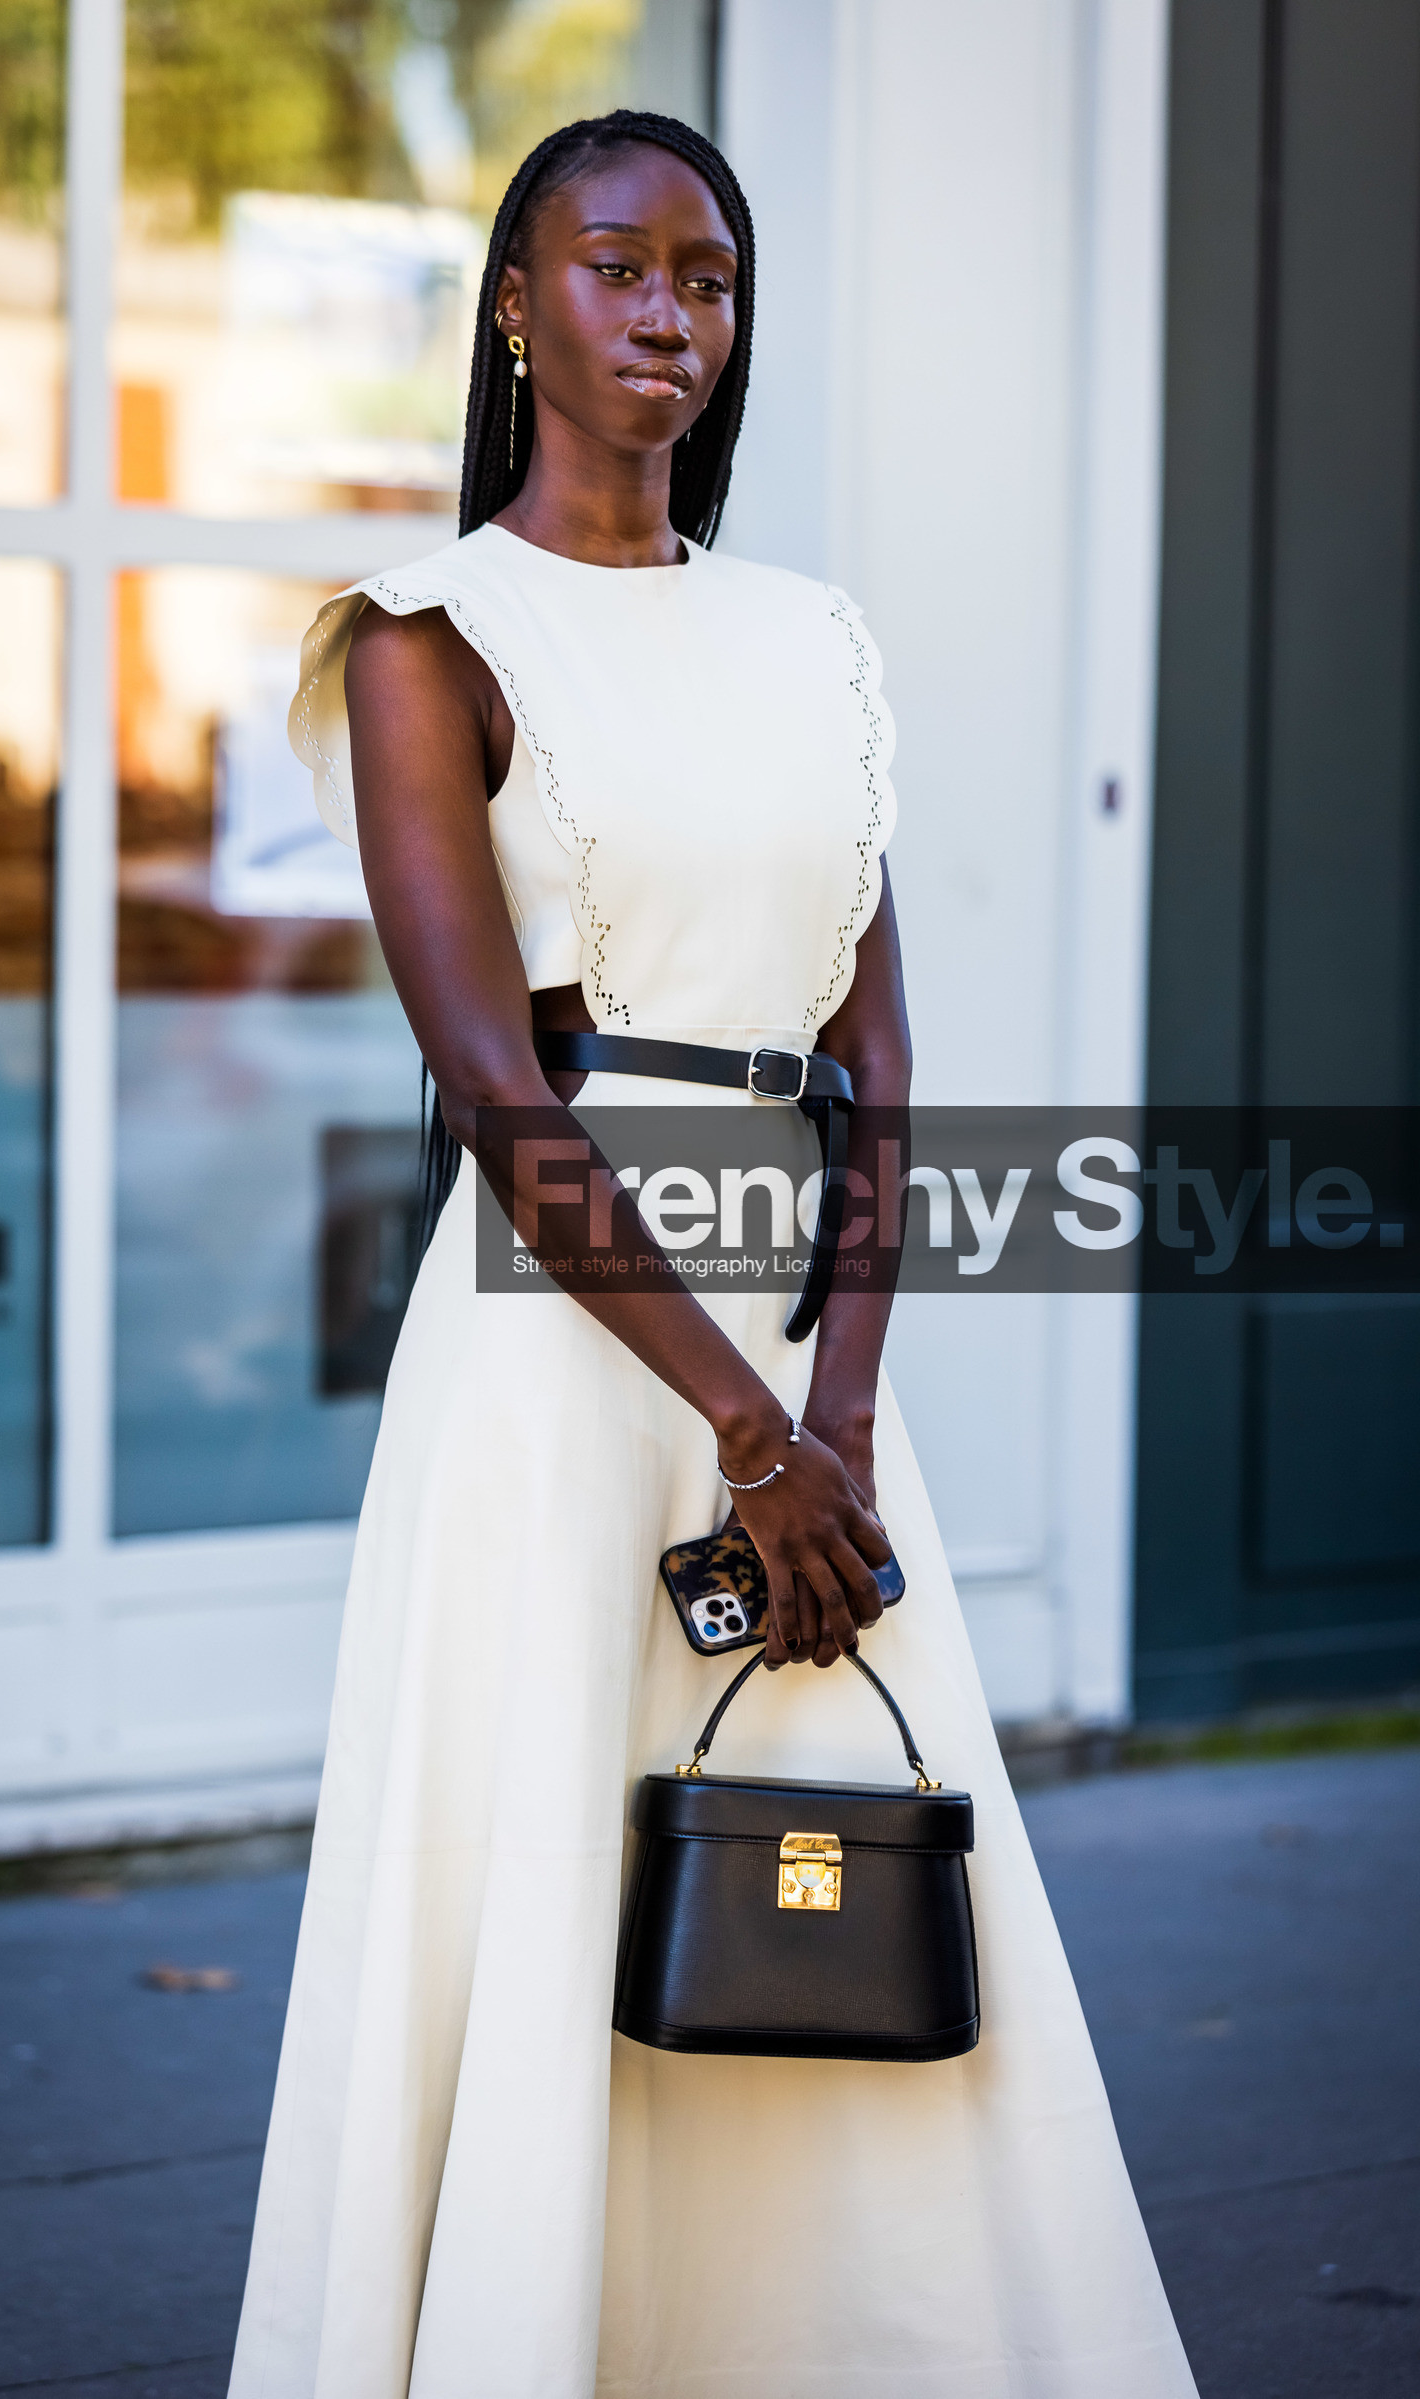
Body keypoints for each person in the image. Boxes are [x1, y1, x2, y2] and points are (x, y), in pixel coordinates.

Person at [229, 109, 1198, 2399]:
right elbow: (496, 1093)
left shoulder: (812, 637)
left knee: (846, 1855)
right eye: (614, 269)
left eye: (709, 280)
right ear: (513, 304)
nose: (667, 316)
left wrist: (839, 1427)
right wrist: (751, 1432)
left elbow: (878, 1068)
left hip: (804, 1381)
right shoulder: (420, 641)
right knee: (560, 1849)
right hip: (574, 1361)